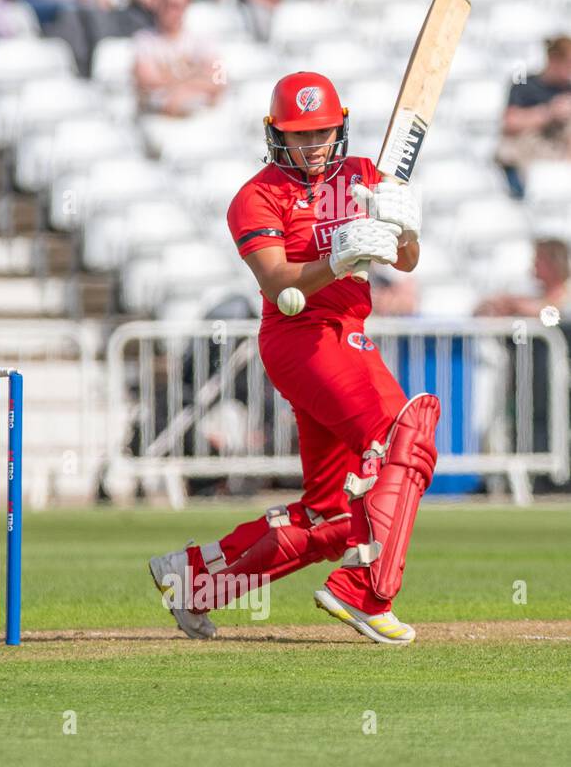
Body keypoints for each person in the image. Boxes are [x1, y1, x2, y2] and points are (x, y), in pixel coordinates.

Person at [148, 71, 437, 646]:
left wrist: (404, 227)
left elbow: (405, 261)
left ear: (340, 127)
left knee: (332, 514)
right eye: (300, 135)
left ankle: (196, 580)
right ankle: (365, 591)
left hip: (345, 330)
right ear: (275, 134)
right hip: (303, 337)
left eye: (323, 133)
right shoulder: (255, 197)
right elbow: (279, 279)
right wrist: (342, 253)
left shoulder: (361, 175)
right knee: (408, 436)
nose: (313, 146)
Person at [132, 0, 223, 117]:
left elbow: (218, 79)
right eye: (165, 4)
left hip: (200, 117)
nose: (170, 11)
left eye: (175, 6)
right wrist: (197, 78)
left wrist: (182, 91)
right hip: (157, 118)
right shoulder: (144, 40)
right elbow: (148, 81)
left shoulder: (203, 39)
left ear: (186, 7)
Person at [497, 37, 571, 200]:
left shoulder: (568, 88)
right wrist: (550, 112)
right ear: (553, 59)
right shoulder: (525, 83)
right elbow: (510, 122)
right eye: (568, 64)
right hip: (529, 149)